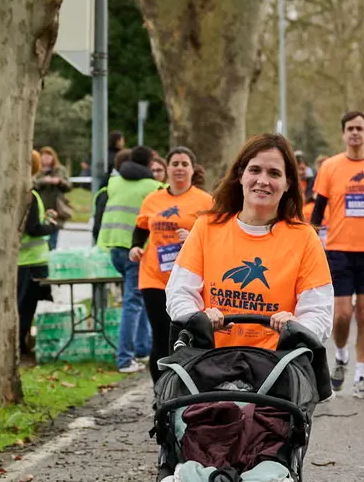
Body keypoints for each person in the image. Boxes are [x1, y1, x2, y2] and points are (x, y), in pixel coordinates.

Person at [167, 133, 334, 349]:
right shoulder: (207, 226)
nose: (262, 181)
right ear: (241, 175)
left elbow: (319, 311)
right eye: (255, 170)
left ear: (287, 183)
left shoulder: (304, 238)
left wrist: (296, 328)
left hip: (278, 364)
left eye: (274, 173)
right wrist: (197, 319)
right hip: (210, 361)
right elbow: (179, 291)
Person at [309, 111, 364, 397]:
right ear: (343, 134)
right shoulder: (331, 167)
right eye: (350, 128)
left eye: (360, 128)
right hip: (338, 250)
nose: (355, 133)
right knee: (343, 314)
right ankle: (342, 355)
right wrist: (310, 239)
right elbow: (319, 209)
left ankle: (361, 376)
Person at [132, 146, 213, 382]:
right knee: (160, 333)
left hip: (189, 278)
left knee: (186, 334)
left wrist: (192, 237)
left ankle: (184, 385)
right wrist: (134, 248)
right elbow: (140, 230)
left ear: (192, 169)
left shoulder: (205, 201)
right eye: (175, 163)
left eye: (184, 164)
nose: (179, 168)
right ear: (166, 168)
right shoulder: (153, 199)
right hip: (154, 275)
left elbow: (216, 238)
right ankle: (161, 391)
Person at [96, 145, 163, 373]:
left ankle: (143, 349)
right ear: (149, 164)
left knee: (140, 296)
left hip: (114, 245)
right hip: (136, 249)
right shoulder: (154, 187)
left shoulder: (114, 182)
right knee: (133, 302)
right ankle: (124, 359)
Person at [16, 151, 57, 360]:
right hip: (32, 262)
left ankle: (23, 345)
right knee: (26, 308)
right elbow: (33, 228)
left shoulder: (21, 192)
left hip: (24, 261)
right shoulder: (30, 195)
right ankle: (21, 348)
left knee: (23, 306)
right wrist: (50, 226)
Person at [34, 146, 72, 250]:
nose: (46, 159)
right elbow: (32, 184)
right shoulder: (37, 170)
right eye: (44, 156)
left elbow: (69, 186)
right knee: (41, 238)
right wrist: (44, 181)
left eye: (49, 156)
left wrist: (59, 181)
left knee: (53, 239)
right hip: (41, 207)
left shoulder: (59, 170)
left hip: (56, 208)